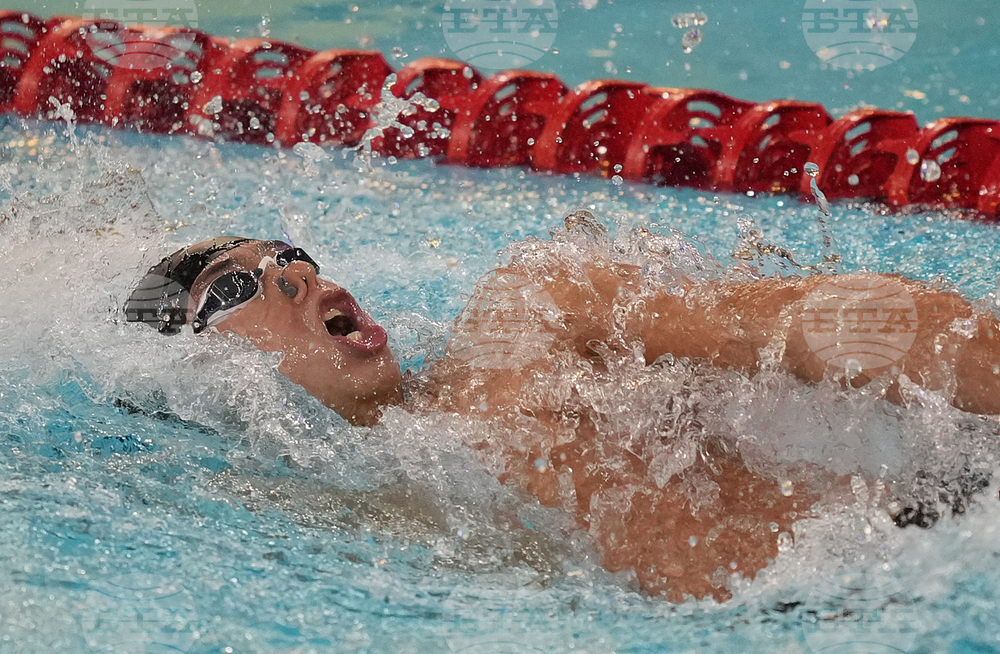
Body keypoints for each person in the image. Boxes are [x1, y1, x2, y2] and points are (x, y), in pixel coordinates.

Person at [126, 228, 1000, 601]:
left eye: (293, 254)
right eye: (237, 287)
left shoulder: (526, 325)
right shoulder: (318, 524)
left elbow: (825, 322)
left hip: (934, 532)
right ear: (202, 377)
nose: (295, 275)